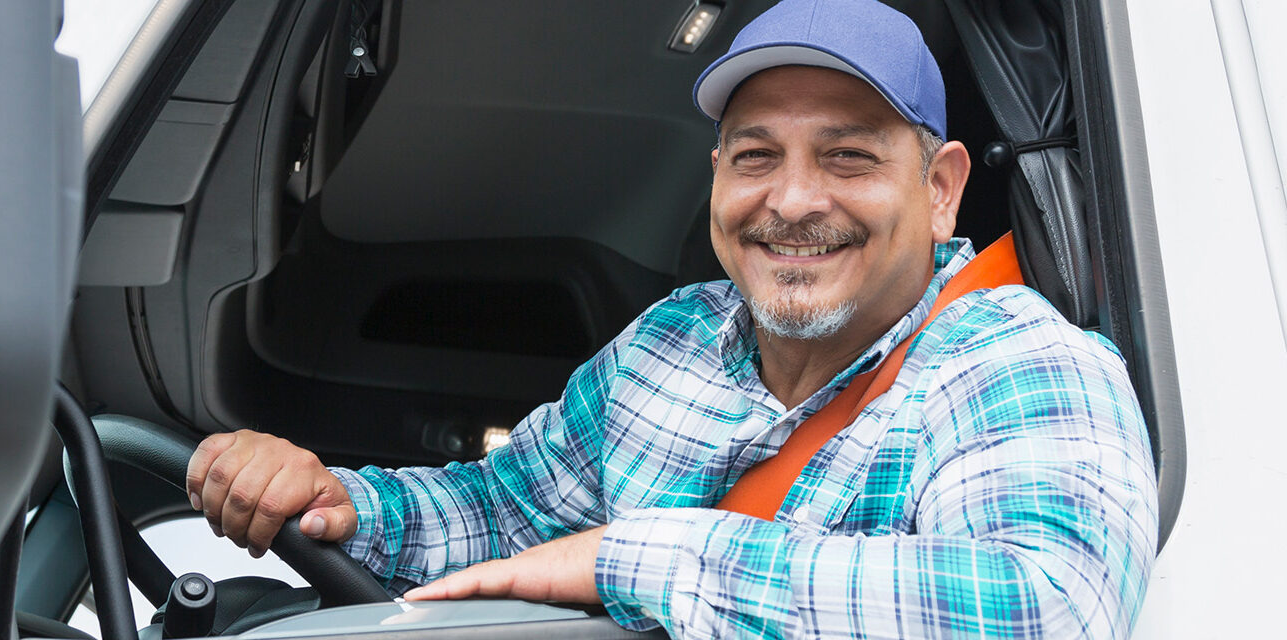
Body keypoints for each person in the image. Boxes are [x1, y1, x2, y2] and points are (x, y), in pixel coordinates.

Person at [185, 0, 1158, 636]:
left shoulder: (1017, 363)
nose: (789, 200)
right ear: (716, 179)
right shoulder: (669, 340)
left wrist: (636, 557)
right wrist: (339, 503)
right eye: (754, 156)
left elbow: (1046, 607)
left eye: (848, 158)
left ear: (941, 190)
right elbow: (504, 512)